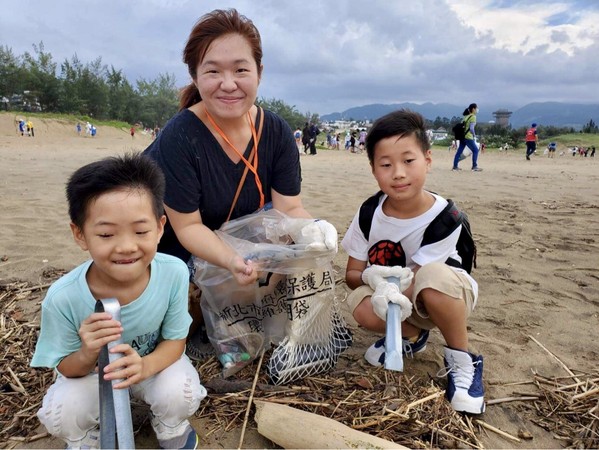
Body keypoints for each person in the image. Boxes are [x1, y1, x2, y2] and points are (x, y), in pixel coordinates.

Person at [143, 8, 337, 360]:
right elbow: (186, 228)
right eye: (213, 71)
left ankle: (233, 317)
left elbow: (288, 207)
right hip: (176, 253)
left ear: (259, 73)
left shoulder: (275, 131)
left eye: (241, 70)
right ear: (195, 76)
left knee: (294, 244)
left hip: (236, 246)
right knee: (175, 327)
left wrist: (316, 231)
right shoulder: (180, 136)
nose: (228, 83)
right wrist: (233, 260)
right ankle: (207, 320)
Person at [30, 153, 206, 449]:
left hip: (151, 366)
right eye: (107, 234)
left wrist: (146, 366)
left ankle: (170, 425)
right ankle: (88, 439)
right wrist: (87, 352)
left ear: (161, 227)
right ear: (80, 234)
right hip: (94, 375)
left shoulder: (173, 273)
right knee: (62, 412)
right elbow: (66, 369)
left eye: (140, 231)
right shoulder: (64, 297)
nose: (126, 247)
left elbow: (176, 341)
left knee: (181, 392)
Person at [341, 109, 484, 414]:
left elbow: (418, 277)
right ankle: (412, 336)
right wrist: (371, 279)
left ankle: (463, 359)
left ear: (428, 160)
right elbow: (352, 273)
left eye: (408, 161)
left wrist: (385, 290)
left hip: (446, 296)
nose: (399, 173)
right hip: (397, 300)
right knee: (359, 304)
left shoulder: (446, 218)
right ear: (373, 169)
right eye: (386, 164)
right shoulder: (369, 212)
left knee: (432, 277)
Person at [452, 103, 482, 171]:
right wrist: (474, 135)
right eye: (476, 108)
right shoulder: (473, 117)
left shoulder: (466, 117)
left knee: (459, 151)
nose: (477, 110)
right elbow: (471, 128)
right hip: (468, 137)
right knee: (475, 150)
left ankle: (455, 166)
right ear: (473, 109)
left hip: (462, 137)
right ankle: (474, 166)